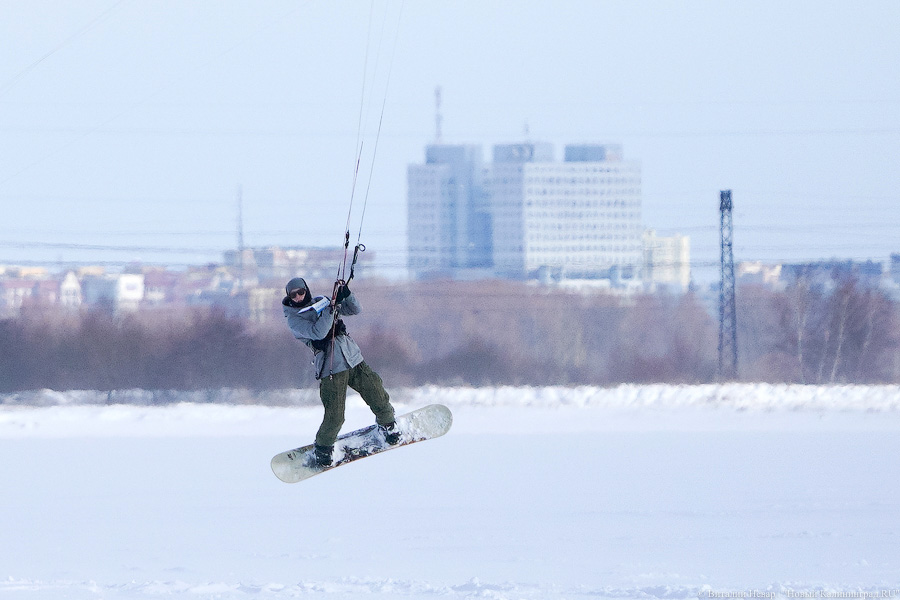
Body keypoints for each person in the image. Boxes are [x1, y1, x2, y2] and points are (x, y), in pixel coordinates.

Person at [282, 276, 400, 467]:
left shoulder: (322, 302)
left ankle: (388, 425)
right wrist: (331, 311)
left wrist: (346, 295)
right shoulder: (294, 320)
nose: (298, 297)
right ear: (289, 297)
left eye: (301, 292)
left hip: (352, 357)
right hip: (331, 366)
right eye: (293, 295)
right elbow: (318, 333)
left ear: (307, 290)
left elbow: (355, 310)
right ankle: (323, 448)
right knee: (335, 415)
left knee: (377, 392)